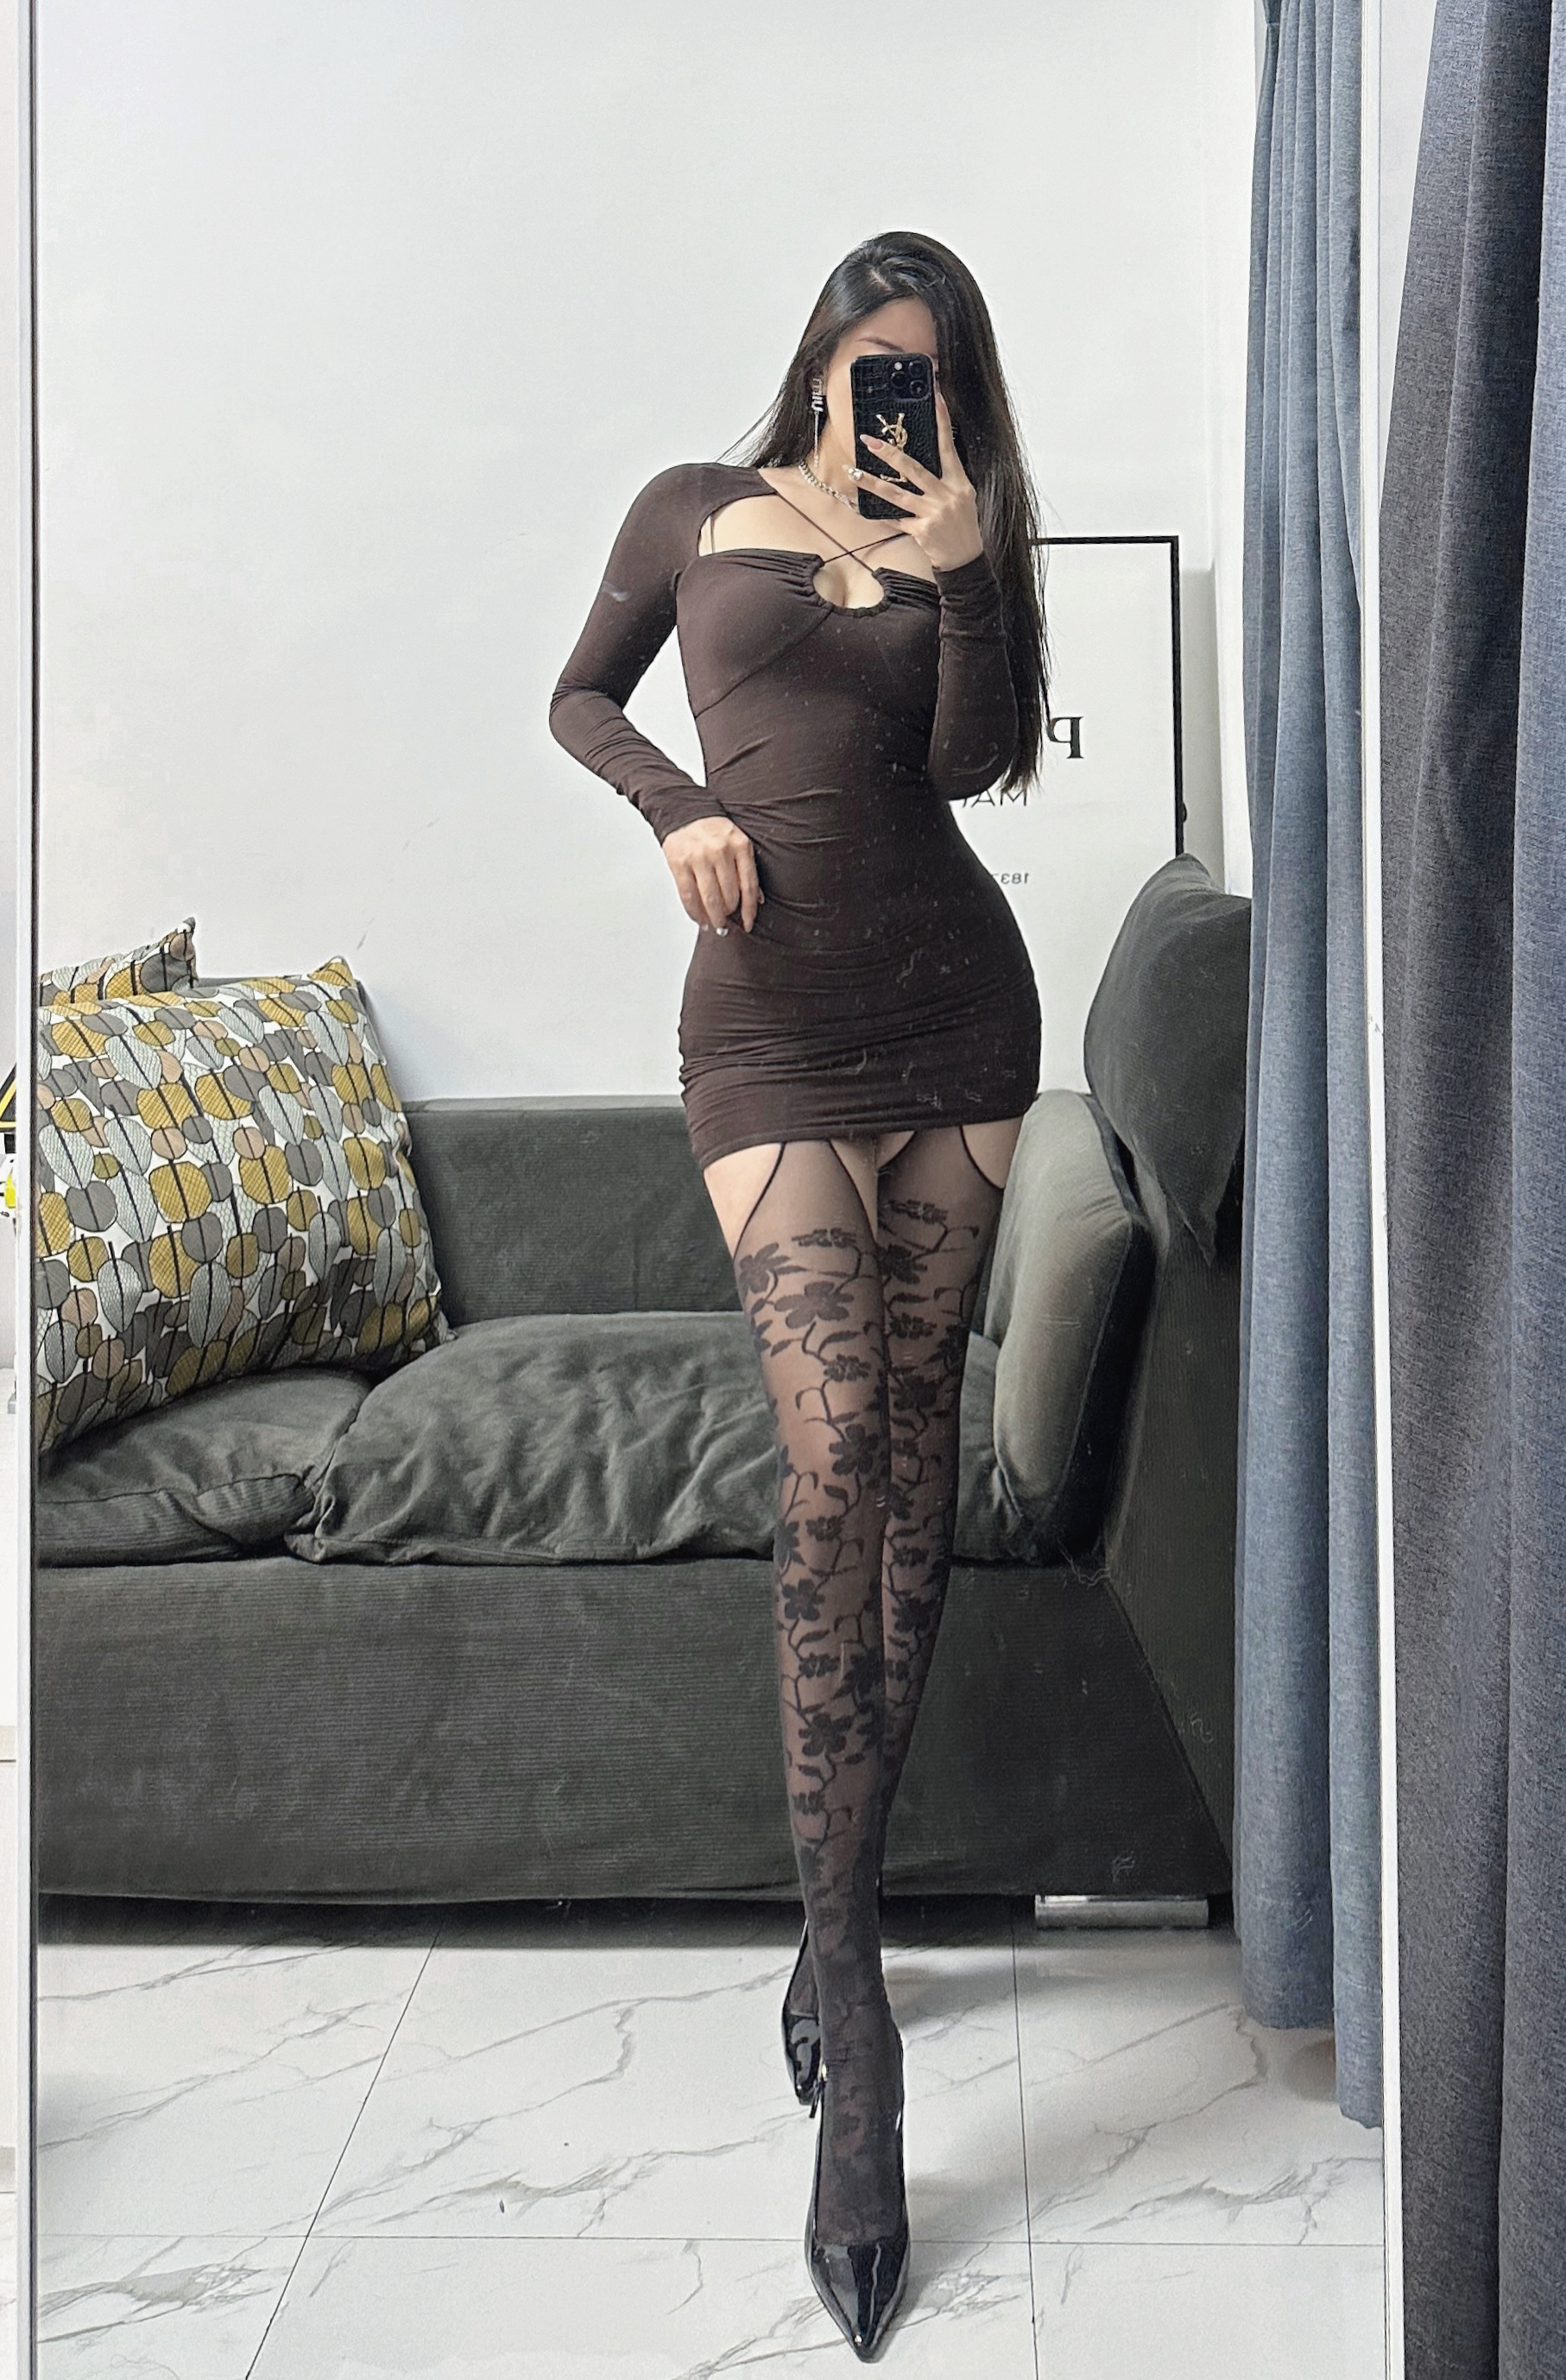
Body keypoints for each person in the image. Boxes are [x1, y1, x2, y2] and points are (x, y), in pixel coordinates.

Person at [550, 230, 1047, 2359]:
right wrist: (673, 806)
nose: (891, 400)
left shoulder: (961, 535)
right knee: (833, 1459)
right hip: (762, 1033)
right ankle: (857, 2008)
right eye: (869, 365)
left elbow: (972, 768)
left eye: (928, 373)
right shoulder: (691, 508)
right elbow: (577, 692)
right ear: (820, 360)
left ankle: (833, 1923)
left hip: (957, 1021)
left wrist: (972, 575)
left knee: (913, 1465)